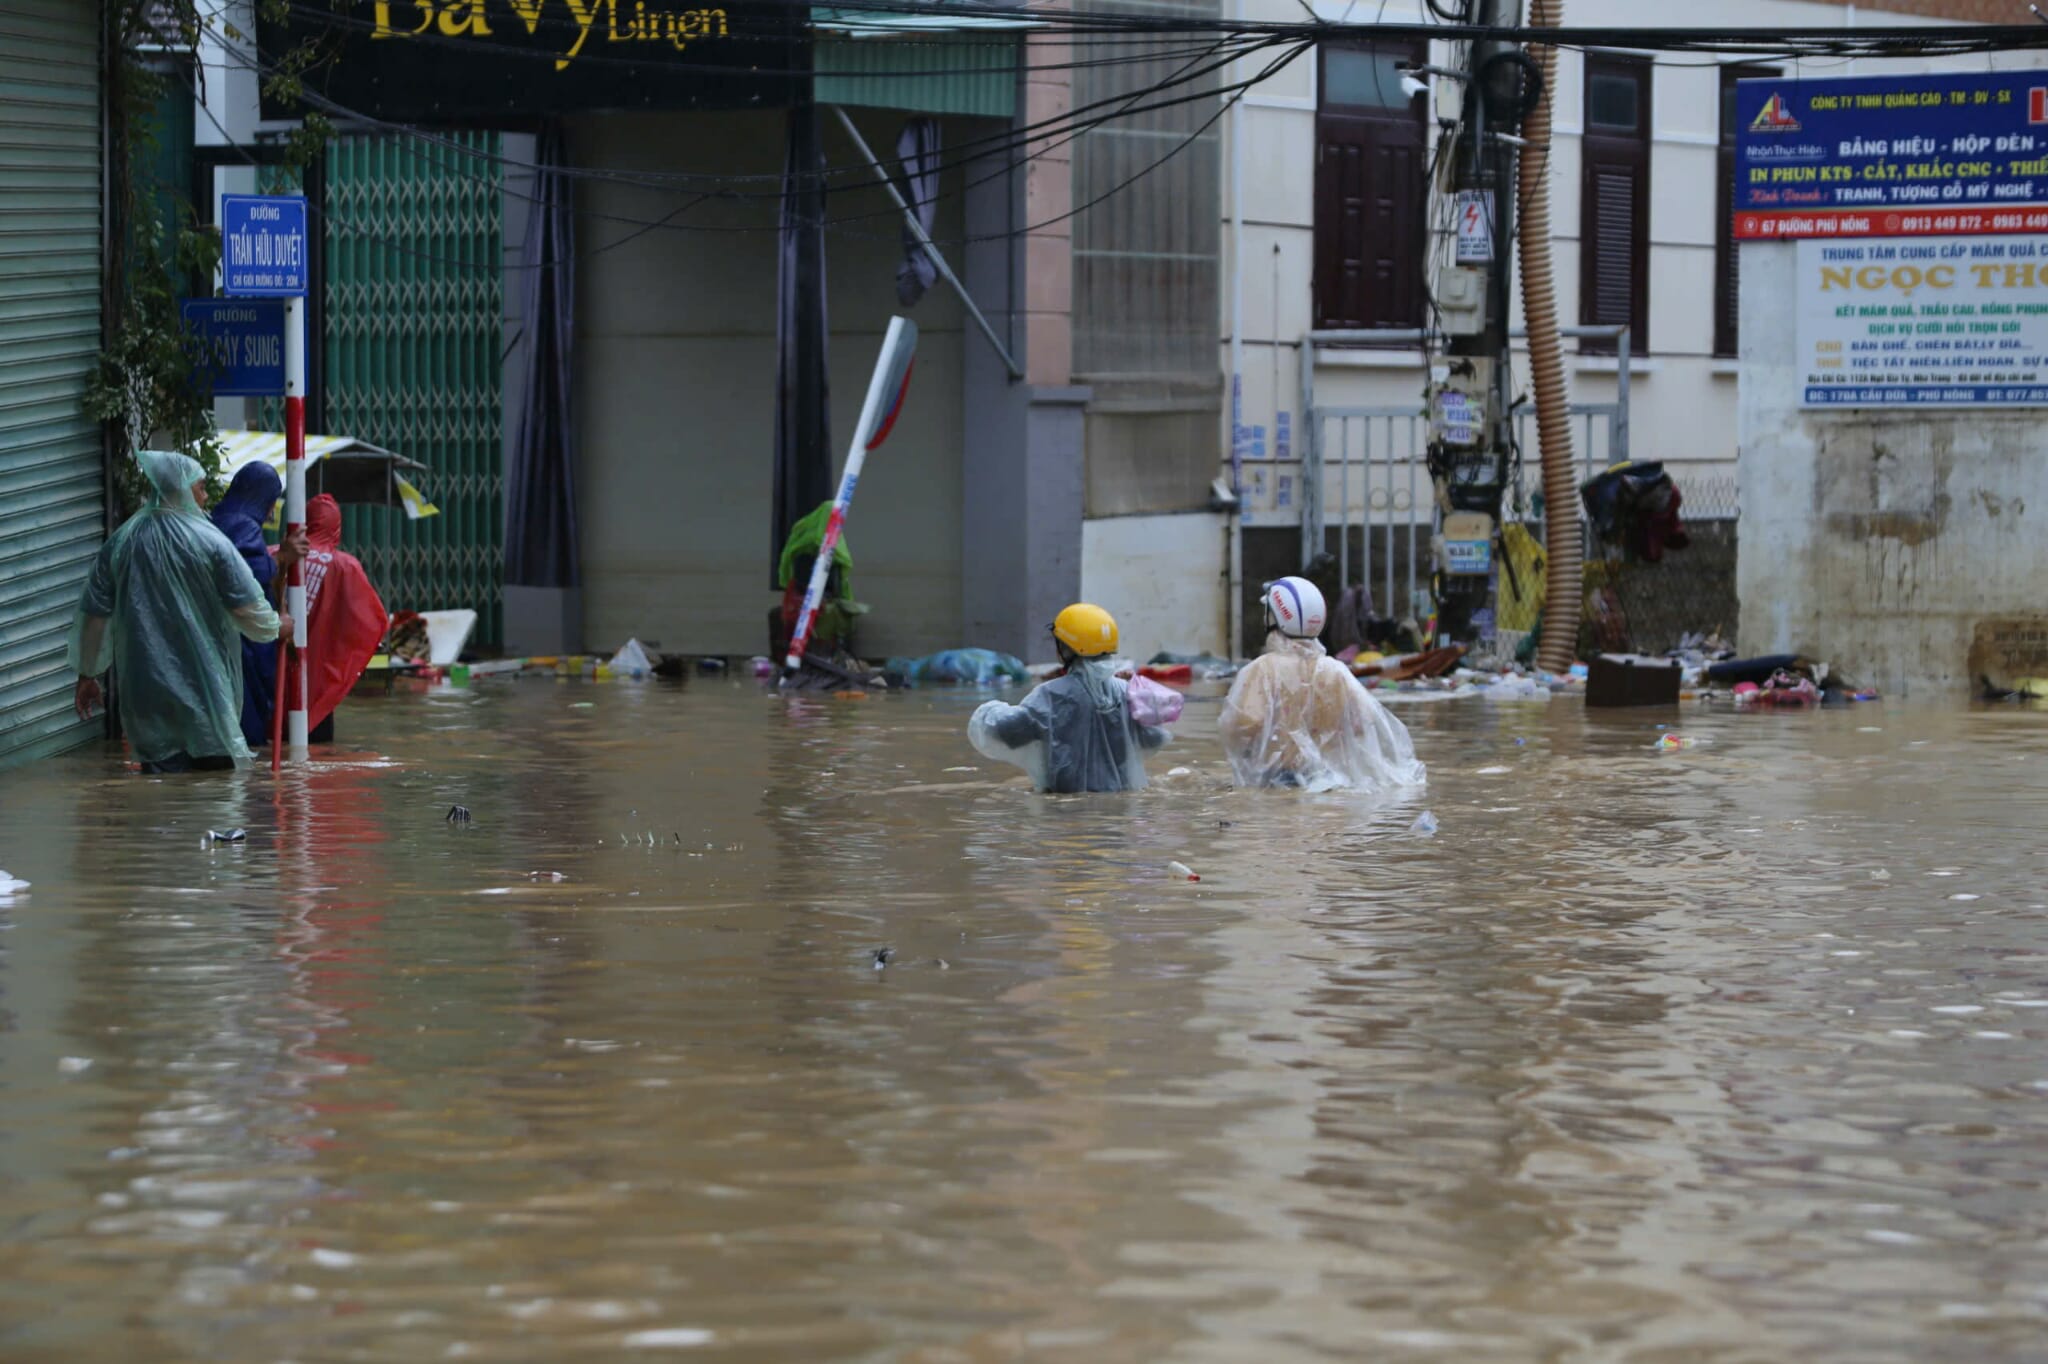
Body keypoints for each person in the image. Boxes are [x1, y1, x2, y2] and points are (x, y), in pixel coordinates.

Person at [68, 450, 290, 773]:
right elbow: (246, 607)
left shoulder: (122, 542)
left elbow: (94, 612)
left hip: (147, 694)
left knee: (161, 787)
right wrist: (277, 626)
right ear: (185, 489)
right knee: (215, 794)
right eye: (201, 488)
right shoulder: (212, 542)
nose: (204, 497)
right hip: (206, 692)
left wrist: (87, 674)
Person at [1218, 576, 1426, 792]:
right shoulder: (1335, 671)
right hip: (1325, 780)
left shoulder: (1262, 670)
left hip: (1275, 782)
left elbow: (1242, 723)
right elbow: (1362, 722)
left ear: (1275, 618)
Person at [968, 604, 1170, 793]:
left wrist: (989, 710)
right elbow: (1155, 738)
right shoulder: (1127, 692)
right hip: (1121, 805)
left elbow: (1005, 732)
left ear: (1063, 650)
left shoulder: (1050, 695)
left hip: (1066, 809)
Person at [210, 461, 308, 749]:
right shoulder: (240, 524)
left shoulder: (221, 518)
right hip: (245, 644)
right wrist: (283, 557)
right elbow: (246, 577)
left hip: (233, 638)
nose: (270, 511)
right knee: (248, 725)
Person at [289, 494, 388, 743]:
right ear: (337, 526)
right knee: (316, 755)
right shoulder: (345, 566)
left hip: (274, 670)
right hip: (318, 676)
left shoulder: (277, 553)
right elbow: (370, 620)